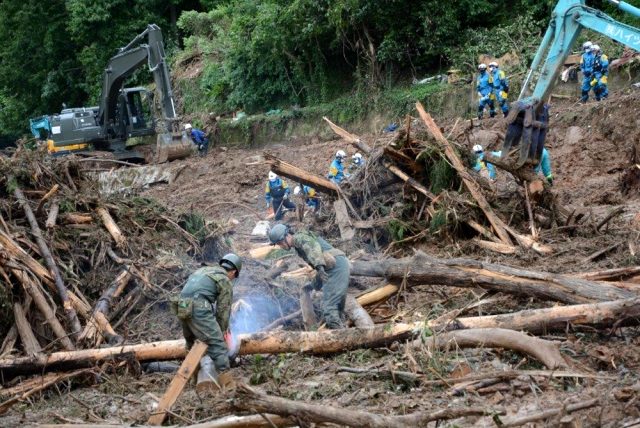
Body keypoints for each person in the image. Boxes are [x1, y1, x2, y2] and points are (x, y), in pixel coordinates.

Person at [174, 253, 242, 390]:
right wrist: (222, 332)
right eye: (234, 276)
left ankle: (192, 379)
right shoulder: (224, 279)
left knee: (191, 343)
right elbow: (223, 310)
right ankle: (228, 385)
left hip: (181, 304)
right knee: (217, 344)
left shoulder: (204, 270)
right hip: (198, 306)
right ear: (233, 271)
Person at [268, 224, 349, 329]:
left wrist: (319, 266)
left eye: (280, 243)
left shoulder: (299, 238)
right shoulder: (298, 245)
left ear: (287, 236)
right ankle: (342, 332)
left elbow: (313, 247)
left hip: (335, 266)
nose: (281, 246)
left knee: (329, 308)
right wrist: (312, 285)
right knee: (337, 306)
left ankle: (341, 339)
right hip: (335, 266)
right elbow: (321, 271)